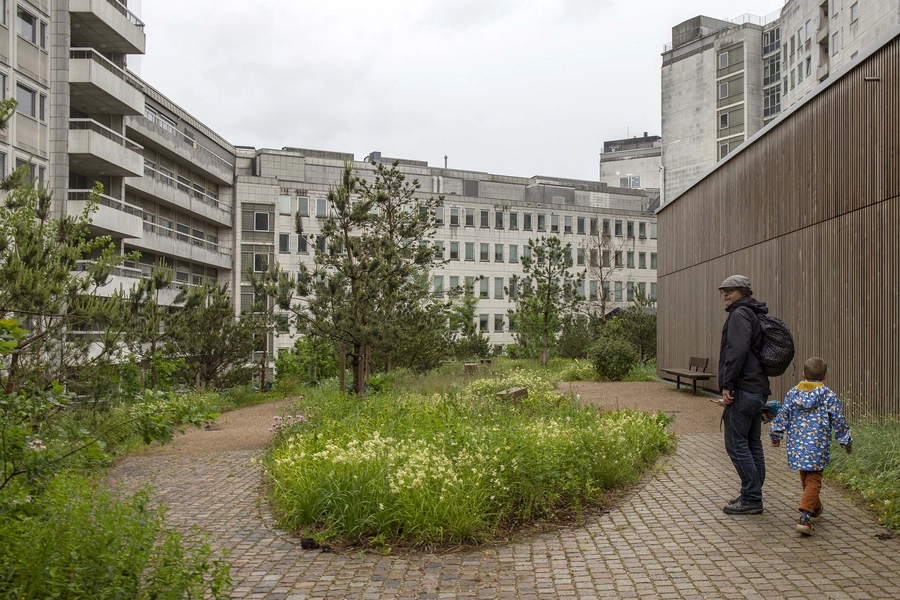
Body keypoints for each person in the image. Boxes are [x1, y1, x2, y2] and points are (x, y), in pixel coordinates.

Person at [769, 357, 852, 536]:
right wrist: (846, 441)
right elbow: (839, 420)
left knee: (807, 477)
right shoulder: (829, 396)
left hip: (797, 446)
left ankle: (816, 508)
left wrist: (775, 434)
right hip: (818, 445)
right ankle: (805, 517)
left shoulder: (793, 393)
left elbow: (783, 415)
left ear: (803, 374)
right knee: (814, 479)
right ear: (825, 376)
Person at [717, 274, 770, 515]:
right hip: (758, 389)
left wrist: (728, 385)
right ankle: (752, 492)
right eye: (723, 291)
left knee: (736, 445)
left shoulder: (739, 315)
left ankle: (751, 498)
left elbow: (736, 352)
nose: (726, 294)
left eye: (731, 290)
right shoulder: (754, 313)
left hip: (743, 389)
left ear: (744, 292)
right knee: (752, 443)